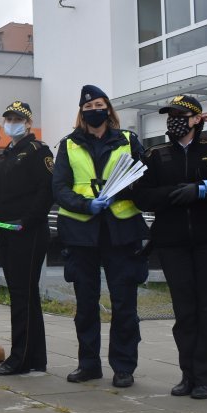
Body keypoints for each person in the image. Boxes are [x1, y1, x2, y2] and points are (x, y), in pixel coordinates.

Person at [133, 95, 207, 400]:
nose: (174, 120)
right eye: (170, 115)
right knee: (184, 312)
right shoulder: (155, 155)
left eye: (181, 115)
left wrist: (203, 192)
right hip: (173, 244)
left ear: (198, 119)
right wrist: (173, 193)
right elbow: (141, 196)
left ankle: (205, 378)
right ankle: (188, 375)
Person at [53, 85, 148, 388]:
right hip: (82, 233)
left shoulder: (128, 140)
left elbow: (145, 177)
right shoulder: (68, 144)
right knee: (86, 304)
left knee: (124, 304)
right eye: (88, 106)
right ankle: (89, 364)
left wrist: (124, 190)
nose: (94, 110)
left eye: (99, 104)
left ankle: (123, 367)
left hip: (121, 231)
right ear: (82, 112)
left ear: (108, 109)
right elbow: (59, 188)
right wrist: (86, 204)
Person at [0, 102, 54, 376]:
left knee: (23, 295)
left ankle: (20, 359)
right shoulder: (5, 155)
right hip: (6, 231)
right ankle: (36, 358)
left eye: (17, 119)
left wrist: (26, 221)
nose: (12, 123)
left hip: (28, 234)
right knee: (23, 295)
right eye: (9, 118)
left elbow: (46, 192)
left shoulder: (38, 151)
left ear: (29, 123)